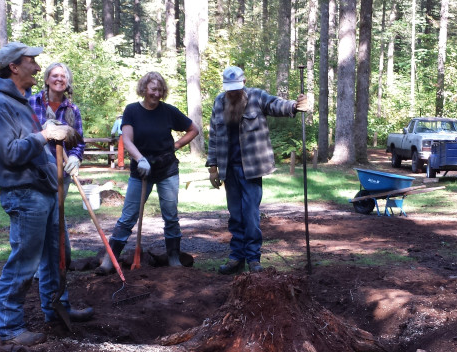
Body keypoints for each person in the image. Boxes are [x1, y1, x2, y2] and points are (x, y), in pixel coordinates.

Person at [0, 42, 94, 347]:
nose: (37, 67)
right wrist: (44, 135)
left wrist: (64, 148)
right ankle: (11, 329)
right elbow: (10, 153)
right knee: (24, 262)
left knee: (55, 256)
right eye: (31, 61)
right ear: (14, 67)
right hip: (24, 192)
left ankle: (57, 310)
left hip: (44, 189)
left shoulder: (19, 102)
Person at [206, 66, 308, 275]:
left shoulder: (256, 97)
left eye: (236, 88)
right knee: (235, 215)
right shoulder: (219, 101)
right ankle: (236, 258)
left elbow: (275, 104)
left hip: (252, 168)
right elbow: (214, 135)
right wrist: (213, 167)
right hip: (229, 168)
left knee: (251, 215)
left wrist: (295, 106)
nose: (232, 92)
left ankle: (253, 258)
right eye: (229, 89)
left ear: (243, 83)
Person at [96, 71, 199, 273]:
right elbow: (127, 139)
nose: (156, 93)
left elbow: (193, 129)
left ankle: (173, 257)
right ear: (144, 89)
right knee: (128, 216)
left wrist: (175, 145)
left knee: (170, 215)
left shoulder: (168, 111)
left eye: (160, 90)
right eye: (153, 89)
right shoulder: (132, 110)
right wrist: (140, 159)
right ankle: (111, 259)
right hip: (141, 171)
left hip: (167, 169)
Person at [29, 62, 85, 270]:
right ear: (46, 79)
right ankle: (42, 265)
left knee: (57, 216)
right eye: (55, 75)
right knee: (40, 216)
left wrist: (75, 158)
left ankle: (60, 262)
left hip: (61, 172)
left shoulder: (72, 110)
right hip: (36, 171)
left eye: (63, 76)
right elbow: (23, 135)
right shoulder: (32, 103)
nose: (59, 79)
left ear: (67, 81)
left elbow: (78, 142)